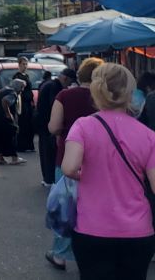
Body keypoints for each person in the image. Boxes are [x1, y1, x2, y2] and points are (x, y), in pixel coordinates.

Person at [61, 63, 155, 278]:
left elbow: (68, 168)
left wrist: (88, 175)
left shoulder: (83, 126)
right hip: (138, 232)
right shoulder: (148, 135)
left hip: (92, 229)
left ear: (96, 90)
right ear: (131, 93)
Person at [45, 57, 104, 271]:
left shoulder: (65, 95)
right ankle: (91, 253)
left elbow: (52, 127)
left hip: (68, 157)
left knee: (67, 208)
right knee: (94, 207)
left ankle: (60, 254)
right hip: (99, 160)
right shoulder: (105, 99)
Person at [36, 68, 76, 186]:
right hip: (47, 124)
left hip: (41, 123)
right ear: (65, 78)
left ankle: (47, 178)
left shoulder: (48, 84)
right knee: (50, 153)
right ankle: (50, 178)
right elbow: (53, 105)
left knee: (45, 152)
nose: (69, 85)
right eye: (69, 82)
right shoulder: (55, 87)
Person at [13, 57, 35, 152]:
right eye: (23, 64)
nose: (25, 66)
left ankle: (29, 145)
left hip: (28, 103)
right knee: (23, 125)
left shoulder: (27, 76)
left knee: (30, 125)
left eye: (26, 64)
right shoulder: (17, 76)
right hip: (22, 104)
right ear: (19, 65)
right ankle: (21, 145)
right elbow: (16, 91)